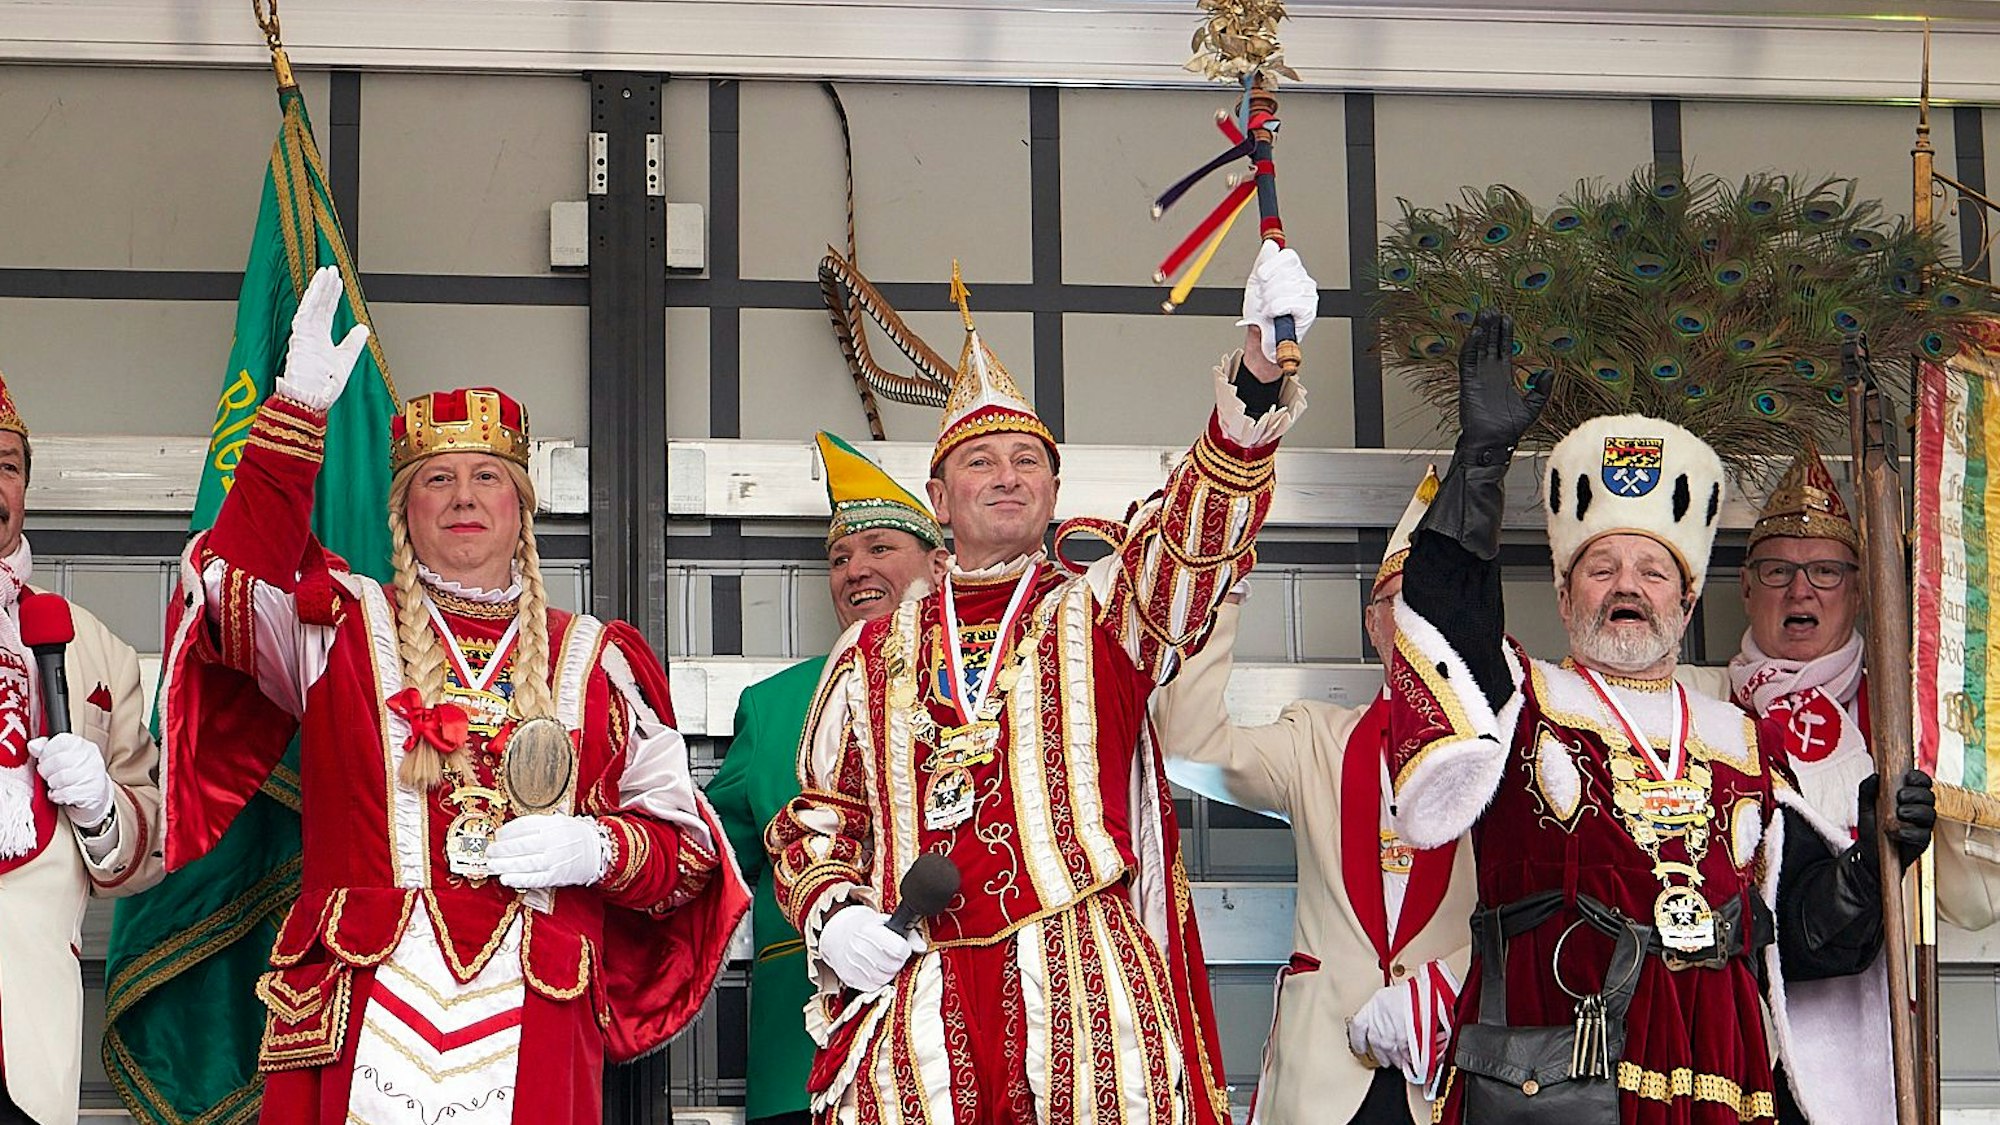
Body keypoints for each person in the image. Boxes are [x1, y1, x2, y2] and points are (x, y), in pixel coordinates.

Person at [155, 268, 747, 1124]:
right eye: (438, 479)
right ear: (404, 509)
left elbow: (687, 861)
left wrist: (596, 848)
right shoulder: (339, 625)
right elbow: (230, 591)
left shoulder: (596, 659)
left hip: (533, 1009)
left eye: (487, 477)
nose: (464, 496)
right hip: (361, 1008)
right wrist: (292, 423)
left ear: (522, 510)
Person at [766, 247, 1317, 1124]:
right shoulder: (870, 650)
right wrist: (835, 917)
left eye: (1028, 459)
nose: (1009, 475)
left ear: (1055, 487)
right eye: (982, 461)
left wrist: (1252, 380)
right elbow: (820, 814)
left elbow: (1191, 547)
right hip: (914, 987)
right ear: (939, 499)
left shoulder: (1102, 609)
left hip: (1078, 974)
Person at [1383, 310, 1934, 1124]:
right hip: (1558, 1090)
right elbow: (1444, 622)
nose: (1627, 587)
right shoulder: (1519, 702)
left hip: (1722, 1087)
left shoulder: (1742, 740)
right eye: (1601, 567)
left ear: (1686, 598)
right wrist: (1482, 463)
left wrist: (1871, 862)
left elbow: (1810, 945)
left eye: (1653, 569)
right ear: (1566, 596)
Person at [1684, 441, 2000, 1125]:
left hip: (1874, 1043)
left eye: (1826, 571)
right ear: (1744, 587)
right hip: (1724, 1038)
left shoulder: (1905, 719)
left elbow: (1974, 905)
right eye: (1778, 571)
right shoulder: (1699, 705)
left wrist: (1933, 818)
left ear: (1860, 590)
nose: (1801, 591)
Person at [1152, 468, 1477, 1125]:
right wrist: (1224, 592)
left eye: (1434, 603)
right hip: (1324, 1082)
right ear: (1373, 624)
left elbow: (1543, 901)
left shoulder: (1505, 750)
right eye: (1398, 602)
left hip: (1454, 1072)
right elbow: (1187, 747)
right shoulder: (1315, 738)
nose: (1416, 622)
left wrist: (1450, 986)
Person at [707, 431, 947, 1125]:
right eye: (839, 556)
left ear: (939, 562)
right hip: (804, 1052)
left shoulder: (992, 686)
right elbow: (712, 861)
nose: (854, 569)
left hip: (957, 1039)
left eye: (878, 548)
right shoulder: (776, 703)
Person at [0, 371, 163, 1125]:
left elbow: (148, 843)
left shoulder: (90, 647)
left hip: (28, 1027)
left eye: (6, 465)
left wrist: (103, 807)